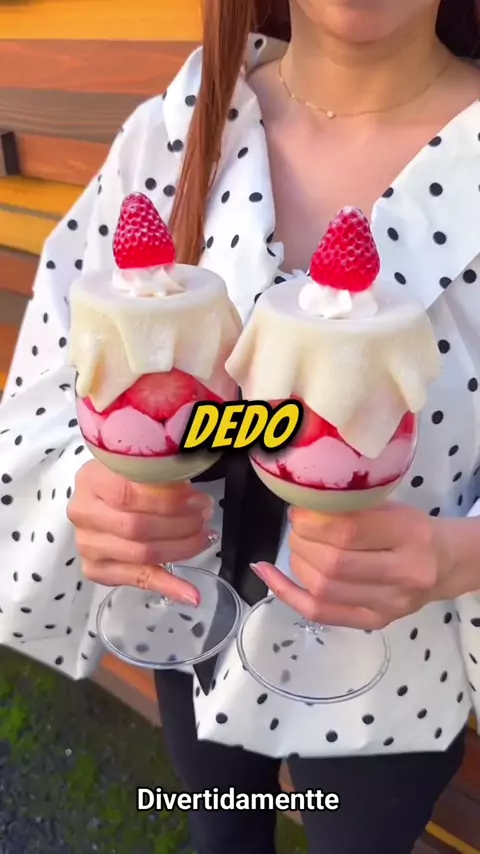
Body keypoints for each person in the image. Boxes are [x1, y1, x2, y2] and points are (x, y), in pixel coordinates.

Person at [1, 0, 480, 850]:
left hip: (393, 670)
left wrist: (458, 556)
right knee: (223, 833)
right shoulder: (176, 134)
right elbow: (52, 384)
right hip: (198, 619)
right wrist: (93, 490)